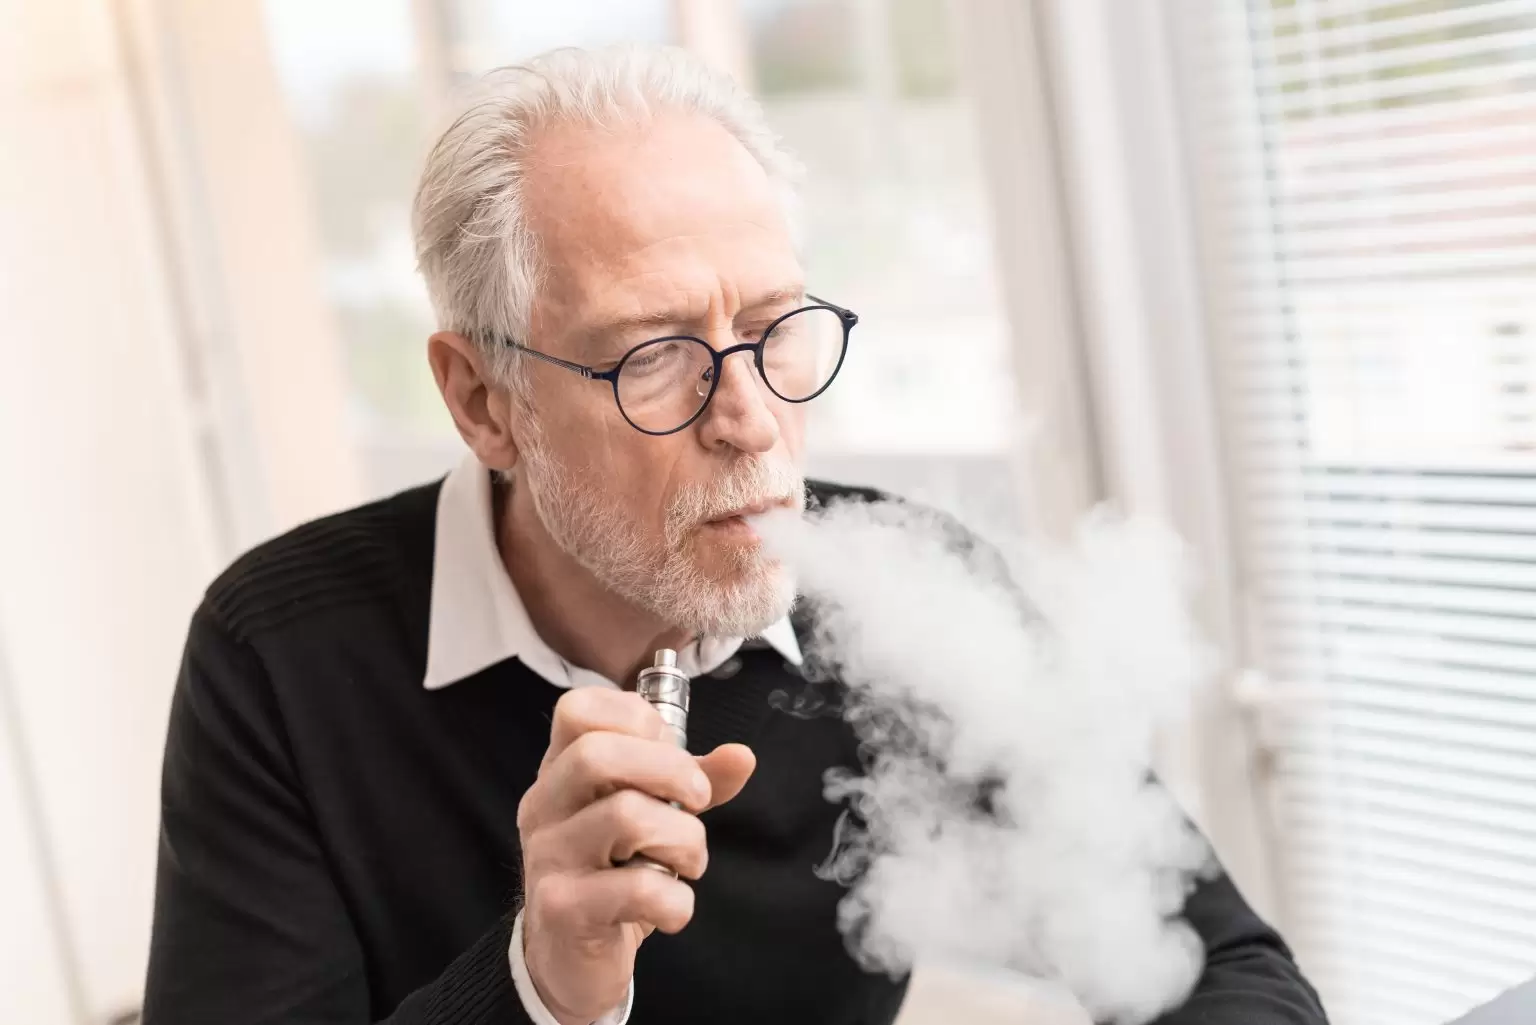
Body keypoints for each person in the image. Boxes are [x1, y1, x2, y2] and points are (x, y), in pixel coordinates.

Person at [142, 44, 1326, 1025]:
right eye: (656, 355)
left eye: (775, 327)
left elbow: (1237, 975)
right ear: (484, 401)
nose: (752, 418)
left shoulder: (918, 596)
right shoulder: (279, 658)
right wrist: (536, 988)